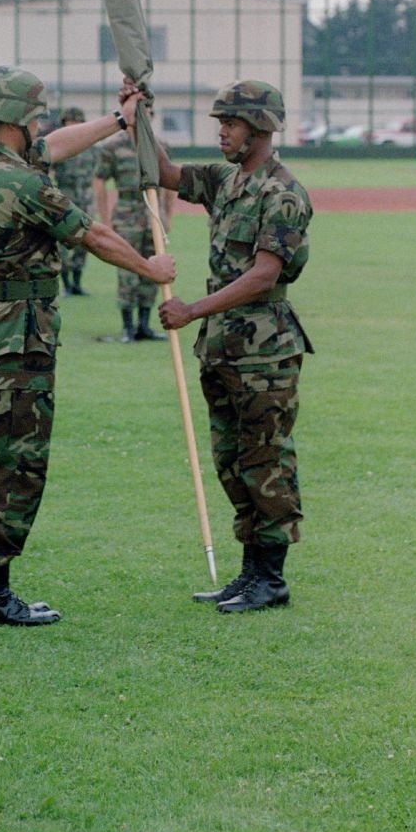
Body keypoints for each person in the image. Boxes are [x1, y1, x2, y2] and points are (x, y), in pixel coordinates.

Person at [0, 67, 175, 627]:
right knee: (13, 460)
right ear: (19, 120)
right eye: (36, 116)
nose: (41, 124)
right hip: (16, 339)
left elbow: (53, 146)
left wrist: (119, 121)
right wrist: (150, 267)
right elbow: (92, 234)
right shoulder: (20, 184)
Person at [157, 80, 312, 613]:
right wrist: (137, 114)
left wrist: (191, 310)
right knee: (231, 460)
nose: (221, 131)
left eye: (231, 123)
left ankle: (271, 579)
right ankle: (249, 575)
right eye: (221, 122)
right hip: (223, 348)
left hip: (264, 351)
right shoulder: (227, 180)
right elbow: (162, 172)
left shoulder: (282, 194)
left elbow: (264, 275)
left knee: (265, 459)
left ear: (260, 128)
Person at [93, 111, 176, 341]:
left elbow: (169, 182)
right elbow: (99, 180)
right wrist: (106, 219)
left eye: (147, 114)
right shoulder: (113, 147)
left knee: (154, 269)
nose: (143, 119)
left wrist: (167, 214)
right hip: (126, 214)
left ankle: (144, 325)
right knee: (128, 270)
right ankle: (127, 327)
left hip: (152, 215)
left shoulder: (160, 146)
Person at [53, 107, 96, 296]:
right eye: (69, 123)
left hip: (85, 198)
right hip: (65, 197)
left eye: (77, 123)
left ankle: (77, 283)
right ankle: (66, 284)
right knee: (62, 243)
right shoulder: (58, 146)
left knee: (84, 242)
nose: (73, 126)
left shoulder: (91, 148)